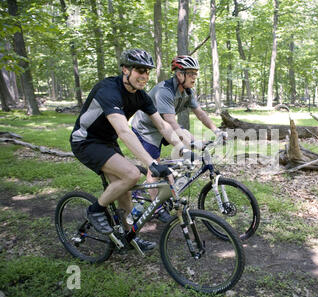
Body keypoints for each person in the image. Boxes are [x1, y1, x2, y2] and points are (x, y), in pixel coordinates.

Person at [70, 49, 188, 252]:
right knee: (132, 174)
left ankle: (128, 236)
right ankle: (95, 210)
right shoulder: (108, 90)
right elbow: (124, 131)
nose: (144, 76)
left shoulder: (141, 96)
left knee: (124, 188)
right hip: (86, 141)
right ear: (125, 69)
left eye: (147, 72)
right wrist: (151, 163)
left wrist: (182, 148)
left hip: (107, 142)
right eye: (139, 70)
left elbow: (162, 126)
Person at [130, 55, 227, 222]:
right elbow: (170, 122)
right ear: (179, 74)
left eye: (196, 74)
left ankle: (171, 185)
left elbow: (200, 113)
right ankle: (157, 208)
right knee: (155, 167)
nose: (194, 77)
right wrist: (189, 143)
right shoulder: (165, 91)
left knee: (188, 144)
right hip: (146, 128)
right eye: (190, 74)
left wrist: (216, 130)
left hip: (164, 126)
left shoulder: (188, 91)